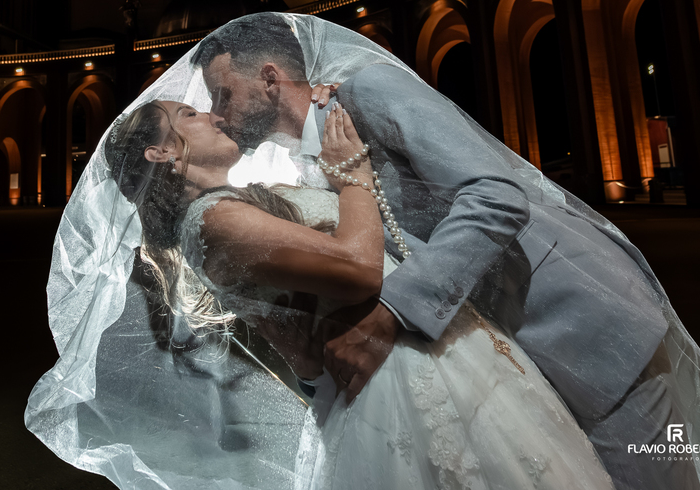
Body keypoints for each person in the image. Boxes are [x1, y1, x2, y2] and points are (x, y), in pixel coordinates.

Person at [192, 13, 700, 490]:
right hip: (506, 365)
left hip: (583, 326)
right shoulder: (312, 164)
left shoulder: (369, 93)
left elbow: (496, 194)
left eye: (223, 93)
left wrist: (392, 312)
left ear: (270, 78)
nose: (217, 112)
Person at [98, 95, 616, 489]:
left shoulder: (243, 202)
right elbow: (359, 268)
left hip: (420, 349)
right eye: (189, 114)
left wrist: (318, 100)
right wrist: (352, 178)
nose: (213, 116)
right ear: (161, 151)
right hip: (394, 373)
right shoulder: (211, 221)